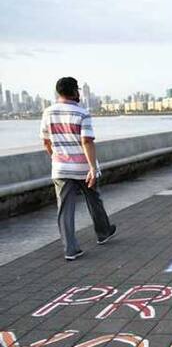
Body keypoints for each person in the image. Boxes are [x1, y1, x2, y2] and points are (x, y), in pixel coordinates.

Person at [40, 77, 116, 260]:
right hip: (82, 167)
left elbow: (46, 142)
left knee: (65, 208)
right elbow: (87, 141)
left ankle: (70, 249)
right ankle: (103, 232)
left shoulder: (47, 113)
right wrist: (92, 168)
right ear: (74, 91)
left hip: (60, 168)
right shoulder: (82, 113)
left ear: (59, 92)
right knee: (93, 199)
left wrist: (56, 158)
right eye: (78, 90)